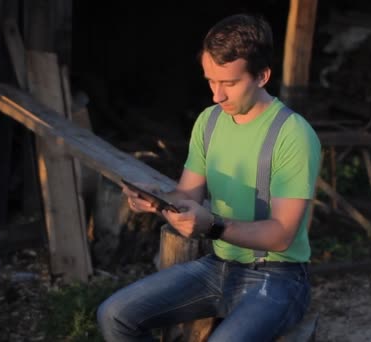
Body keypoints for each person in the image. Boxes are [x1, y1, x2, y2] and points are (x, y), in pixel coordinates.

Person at [97, 13, 321, 341]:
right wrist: (157, 199)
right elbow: (187, 195)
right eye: (210, 81)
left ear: (262, 76)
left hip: (278, 278)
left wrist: (213, 226)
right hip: (217, 267)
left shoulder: (293, 134)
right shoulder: (209, 121)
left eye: (229, 83)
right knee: (113, 315)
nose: (217, 95)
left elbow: (282, 235)